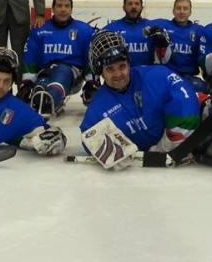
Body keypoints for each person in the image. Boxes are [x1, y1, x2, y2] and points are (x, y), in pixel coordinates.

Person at [79, 30, 201, 170]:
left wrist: (163, 147)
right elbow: (88, 137)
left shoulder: (156, 75)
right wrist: (108, 151)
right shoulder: (97, 111)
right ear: (101, 71)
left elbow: (187, 111)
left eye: (122, 66)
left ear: (129, 63)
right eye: (110, 69)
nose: (118, 74)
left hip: (193, 136)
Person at [18, 0, 95, 118]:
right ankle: (39, 97)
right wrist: (26, 83)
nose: (63, 9)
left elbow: (89, 57)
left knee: (62, 71)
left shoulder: (84, 30)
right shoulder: (40, 30)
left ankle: (49, 100)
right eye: (59, 6)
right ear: (53, 8)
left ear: (71, 9)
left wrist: (91, 81)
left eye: (66, 6)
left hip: (71, 74)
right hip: (45, 72)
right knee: (41, 84)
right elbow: (30, 56)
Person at [149, 0, 207, 93]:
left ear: (190, 12)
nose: (181, 11)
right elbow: (143, 27)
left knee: (201, 87)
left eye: (185, 8)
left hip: (189, 76)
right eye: (178, 8)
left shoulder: (198, 30)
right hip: (167, 75)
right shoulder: (163, 25)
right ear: (173, 11)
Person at [103, 0, 169, 67]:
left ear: (142, 7)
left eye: (137, 4)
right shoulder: (111, 29)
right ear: (124, 7)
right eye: (130, 4)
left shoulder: (152, 28)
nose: (133, 6)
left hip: (145, 75)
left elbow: (165, 58)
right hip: (122, 76)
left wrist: (163, 45)